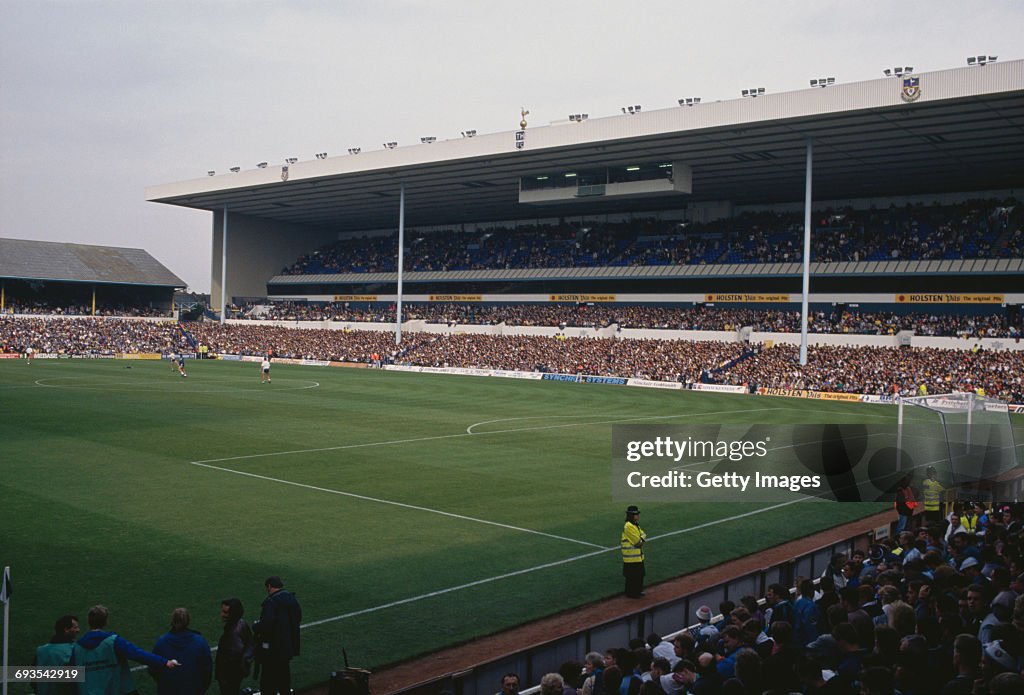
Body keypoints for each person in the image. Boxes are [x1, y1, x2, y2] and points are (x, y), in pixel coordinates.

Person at [73, 604, 179, 695]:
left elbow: (68, 675)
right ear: (106, 622)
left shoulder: (77, 647)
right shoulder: (113, 641)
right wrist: (165, 662)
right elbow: (138, 654)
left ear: (88, 621)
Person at [254, 576, 301, 695]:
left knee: (268, 680)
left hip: (272, 649)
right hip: (287, 646)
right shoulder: (291, 598)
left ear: (269, 586)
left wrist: (256, 626)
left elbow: (266, 625)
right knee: (284, 677)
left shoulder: (271, 602)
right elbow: (298, 618)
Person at [150, 607, 213, 695]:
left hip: (167, 690)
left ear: (172, 621)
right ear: (188, 620)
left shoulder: (161, 642)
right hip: (193, 689)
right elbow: (207, 670)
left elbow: (153, 669)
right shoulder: (200, 641)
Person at [215, 598, 253, 695]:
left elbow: (232, 658)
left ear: (233, 614)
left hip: (229, 675)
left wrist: (223, 677)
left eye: (225, 612)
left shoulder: (233, 634)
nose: (222, 614)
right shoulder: (241, 623)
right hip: (236, 673)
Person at [34, 614, 79, 695]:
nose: (78, 630)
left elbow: (33, 682)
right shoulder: (73, 650)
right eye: (75, 627)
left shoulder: (40, 650)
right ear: (66, 630)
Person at [621, 505, 646, 598]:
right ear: (631, 515)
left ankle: (637, 591)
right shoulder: (628, 526)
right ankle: (632, 594)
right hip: (631, 558)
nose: (638, 516)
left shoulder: (635, 525)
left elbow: (642, 534)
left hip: (637, 557)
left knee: (639, 575)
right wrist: (642, 539)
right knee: (632, 577)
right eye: (636, 514)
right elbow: (637, 542)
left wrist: (642, 538)